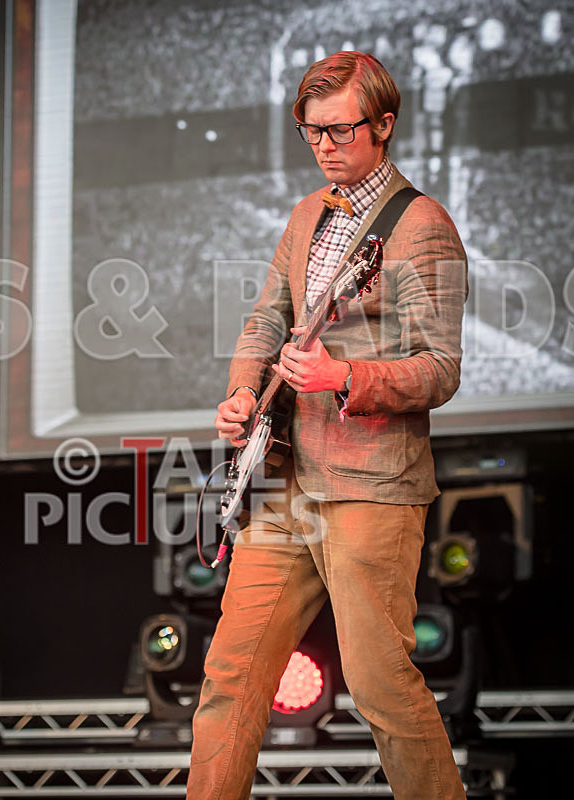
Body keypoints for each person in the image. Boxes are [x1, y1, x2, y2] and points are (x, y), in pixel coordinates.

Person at [186, 51, 468, 800]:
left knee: (380, 689)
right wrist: (242, 393)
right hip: (281, 482)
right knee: (229, 679)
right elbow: (266, 317)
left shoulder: (421, 228)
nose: (325, 146)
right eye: (312, 132)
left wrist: (347, 377)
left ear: (384, 124)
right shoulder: (308, 214)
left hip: (371, 489)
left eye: (340, 129)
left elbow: (441, 368)